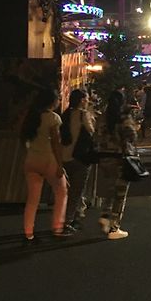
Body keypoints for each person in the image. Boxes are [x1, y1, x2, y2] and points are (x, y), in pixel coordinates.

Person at [20, 88, 69, 243]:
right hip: (48, 160)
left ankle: (28, 232)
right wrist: (60, 165)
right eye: (58, 99)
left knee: (33, 199)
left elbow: (24, 141)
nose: (59, 101)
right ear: (52, 101)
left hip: (32, 159)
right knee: (61, 192)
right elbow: (56, 143)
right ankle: (57, 227)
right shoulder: (53, 118)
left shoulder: (31, 117)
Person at [94, 90, 135, 239]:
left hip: (104, 157)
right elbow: (131, 135)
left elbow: (96, 135)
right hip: (120, 158)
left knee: (110, 189)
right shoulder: (123, 117)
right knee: (120, 194)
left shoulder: (103, 117)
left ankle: (105, 215)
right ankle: (114, 227)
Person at [60, 88, 95, 232]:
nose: (88, 101)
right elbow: (92, 132)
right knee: (76, 191)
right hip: (79, 157)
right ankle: (68, 221)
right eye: (86, 98)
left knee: (66, 191)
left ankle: (73, 217)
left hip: (64, 157)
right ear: (82, 100)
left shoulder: (65, 114)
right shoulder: (83, 115)